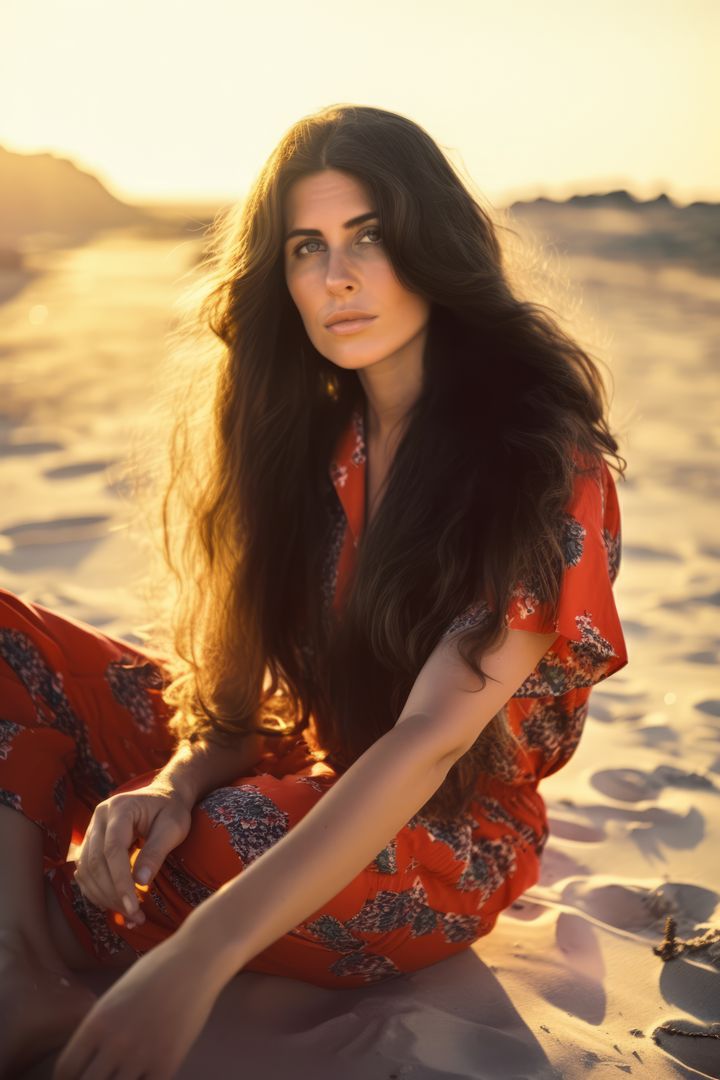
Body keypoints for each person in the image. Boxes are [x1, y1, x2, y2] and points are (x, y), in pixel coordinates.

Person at [0, 103, 628, 1079]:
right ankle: (23, 972)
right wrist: (169, 782)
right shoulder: (305, 441)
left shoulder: (537, 458)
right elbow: (237, 711)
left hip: (445, 831)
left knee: (229, 837)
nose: (336, 277)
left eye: (369, 238)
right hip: (301, 769)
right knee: (10, 639)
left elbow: (431, 740)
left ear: (431, 246)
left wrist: (200, 960)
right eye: (306, 247)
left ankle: (69, 910)